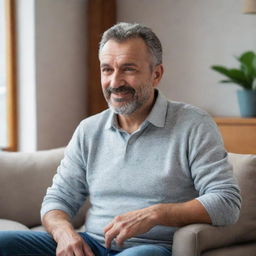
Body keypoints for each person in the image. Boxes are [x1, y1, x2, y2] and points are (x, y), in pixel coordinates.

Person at [0, 22, 241, 256]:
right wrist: (65, 234)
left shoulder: (193, 124)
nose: (115, 83)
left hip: (149, 247)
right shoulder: (89, 129)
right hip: (91, 244)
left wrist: (155, 214)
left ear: (156, 74)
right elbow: (57, 200)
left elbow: (226, 202)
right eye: (107, 69)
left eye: (128, 69)